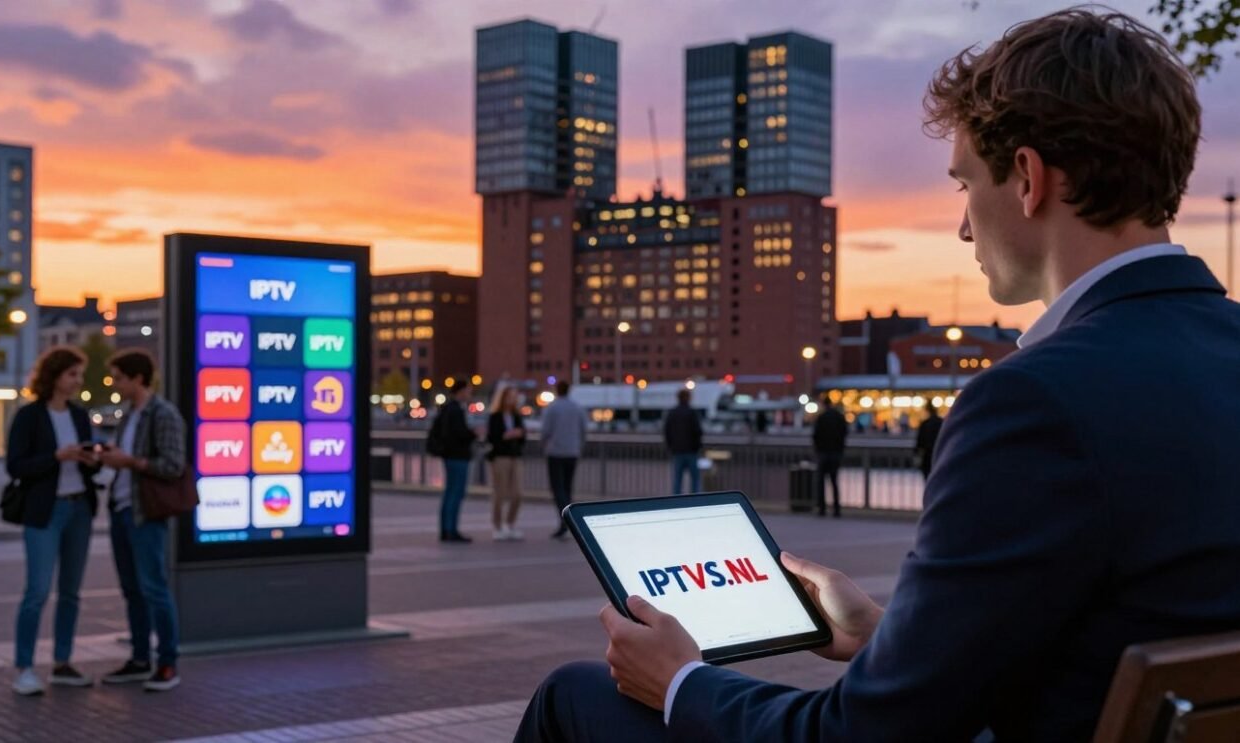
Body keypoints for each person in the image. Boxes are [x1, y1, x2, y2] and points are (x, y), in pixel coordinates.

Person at [515, 10, 1240, 741]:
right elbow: (1114, 622)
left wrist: (681, 682)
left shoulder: (1035, 401)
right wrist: (885, 637)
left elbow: (860, 734)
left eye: (964, 185)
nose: (964, 227)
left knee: (576, 694)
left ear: (1027, 178)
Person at [6, 346, 100, 696]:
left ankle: (63, 663)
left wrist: (92, 460)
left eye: (79, 375)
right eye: (72, 374)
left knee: (71, 592)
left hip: (79, 508)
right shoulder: (29, 416)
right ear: (55, 376)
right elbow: (15, 466)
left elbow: (90, 460)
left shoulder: (79, 415)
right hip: (45, 511)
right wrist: (56, 457)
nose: (78, 381)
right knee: (38, 591)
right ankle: (25, 668)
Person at [96, 349, 185, 692]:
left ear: (138, 378)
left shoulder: (162, 414)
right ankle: (139, 658)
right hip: (122, 509)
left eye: (119, 378)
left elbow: (173, 465)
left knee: (154, 588)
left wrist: (130, 462)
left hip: (145, 513)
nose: (115, 384)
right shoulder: (129, 415)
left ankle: (167, 662)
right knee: (132, 590)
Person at [433, 378, 478, 543]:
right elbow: (459, 434)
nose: (470, 394)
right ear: (461, 391)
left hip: (450, 455)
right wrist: (474, 434)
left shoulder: (447, 409)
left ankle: (446, 529)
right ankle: (450, 529)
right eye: (468, 390)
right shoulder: (456, 410)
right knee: (455, 492)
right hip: (457, 456)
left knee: (450, 492)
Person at [542, 381, 587, 539]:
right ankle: (569, 517)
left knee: (557, 488)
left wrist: (545, 445)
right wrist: (579, 447)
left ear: (557, 390)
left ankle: (564, 519)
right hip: (572, 452)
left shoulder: (552, 408)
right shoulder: (577, 408)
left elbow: (545, 431)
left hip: (555, 452)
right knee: (568, 487)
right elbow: (583, 430)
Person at [486, 384, 526, 541]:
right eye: (510, 396)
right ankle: (497, 526)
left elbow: (523, 436)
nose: (512, 399)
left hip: (515, 456)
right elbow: (492, 437)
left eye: (514, 396)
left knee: (518, 493)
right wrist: (506, 435)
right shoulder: (495, 416)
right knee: (500, 493)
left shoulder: (517, 416)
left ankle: (510, 524)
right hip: (500, 456)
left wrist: (519, 434)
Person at [810, 398, 847, 517]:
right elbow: (844, 432)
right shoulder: (839, 417)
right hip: (836, 453)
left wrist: (818, 448)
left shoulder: (821, 417)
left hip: (823, 453)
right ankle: (836, 509)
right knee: (834, 481)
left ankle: (822, 508)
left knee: (821, 482)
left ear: (823, 404)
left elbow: (815, 435)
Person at [663, 389, 703, 495]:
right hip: (691, 451)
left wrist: (670, 447)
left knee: (677, 480)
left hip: (677, 451)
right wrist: (697, 446)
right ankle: (696, 501)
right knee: (695, 480)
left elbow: (667, 431)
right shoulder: (692, 412)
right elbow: (698, 431)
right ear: (688, 398)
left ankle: (677, 501)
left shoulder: (672, 413)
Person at [914, 401, 944, 480]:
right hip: (939, 455)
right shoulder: (941, 422)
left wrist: (916, 453)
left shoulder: (925, 423)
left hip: (927, 455)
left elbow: (920, 441)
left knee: (927, 477)